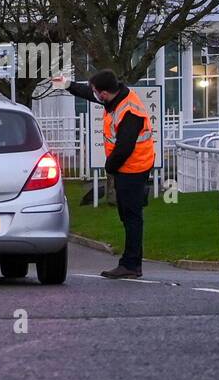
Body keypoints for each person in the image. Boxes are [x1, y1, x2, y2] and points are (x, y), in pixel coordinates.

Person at [56, 68, 155, 278]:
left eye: (96, 91)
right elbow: (87, 92)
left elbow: (125, 147)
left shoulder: (129, 111)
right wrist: (66, 84)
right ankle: (131, 263)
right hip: (130, 167)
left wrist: (109, 168)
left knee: (131, 217)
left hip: (133, 167)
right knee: (128, 215)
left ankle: (131, 264)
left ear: (104, 93)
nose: (94, 95)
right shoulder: (115, 98)